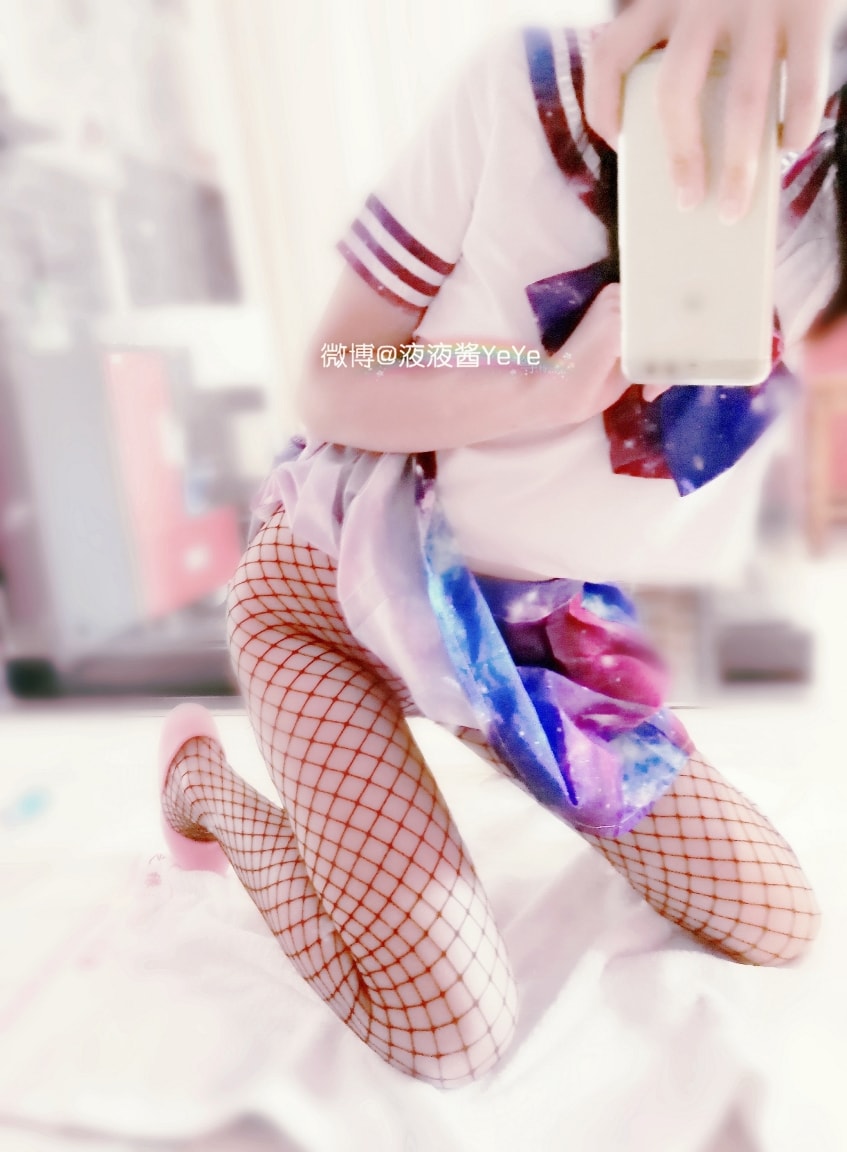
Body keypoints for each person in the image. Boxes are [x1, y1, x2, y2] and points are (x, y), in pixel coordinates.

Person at [158, 0, 842, 1089]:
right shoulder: (525, 86)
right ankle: (202, 782)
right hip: (338, 585)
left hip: (529, 635)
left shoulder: (820, 168)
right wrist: (541, 386)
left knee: (775, 921)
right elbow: (334, 375)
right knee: (447, 1032)